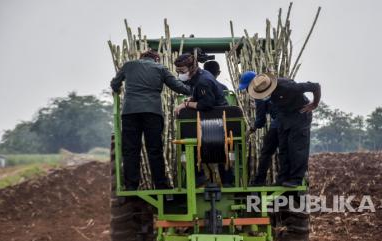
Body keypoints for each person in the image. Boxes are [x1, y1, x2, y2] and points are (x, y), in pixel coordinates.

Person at [110, 49, 192, 190]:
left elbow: (114, 83)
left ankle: (131, 186)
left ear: (141, 58)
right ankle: (160, 185)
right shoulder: (160, 68)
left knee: (131, 150)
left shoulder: (128, 65)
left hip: (130, 112)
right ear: (156, 59)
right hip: (152, 113)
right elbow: (177, 86)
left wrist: (117, 89)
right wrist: (194, 91)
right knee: (154, 150)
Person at [246, 72, 321, 187]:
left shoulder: (288, 86)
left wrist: (315, 103)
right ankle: (283, 178)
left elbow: (316, 86)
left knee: (296, 147)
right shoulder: (263, 89)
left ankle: (296, 179)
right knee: (284, 148)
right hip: (283, 116)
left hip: (300, 114)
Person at [173, 53, 234, 187]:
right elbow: (199, 95)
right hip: (213, 117)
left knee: (196, 142)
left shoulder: (203, 81)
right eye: (178, 71)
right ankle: (225, 180)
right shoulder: (200, 75)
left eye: (182, 71)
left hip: (216, 118)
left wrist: (186, 105)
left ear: (191, 67)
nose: (180, 74)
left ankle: (206, 178)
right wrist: (191, 99)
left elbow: (206, 104)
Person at [238, 71, 279, 186]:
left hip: (280, 122)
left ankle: (259, 181)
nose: (247, 91)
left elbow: (261, 121)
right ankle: (286, 178)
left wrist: (250, 130)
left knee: (266, 151)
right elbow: (271, 107)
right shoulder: (271, 86)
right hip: (290, 121)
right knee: (284, 150)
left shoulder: (259, 92)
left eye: (246, 88)